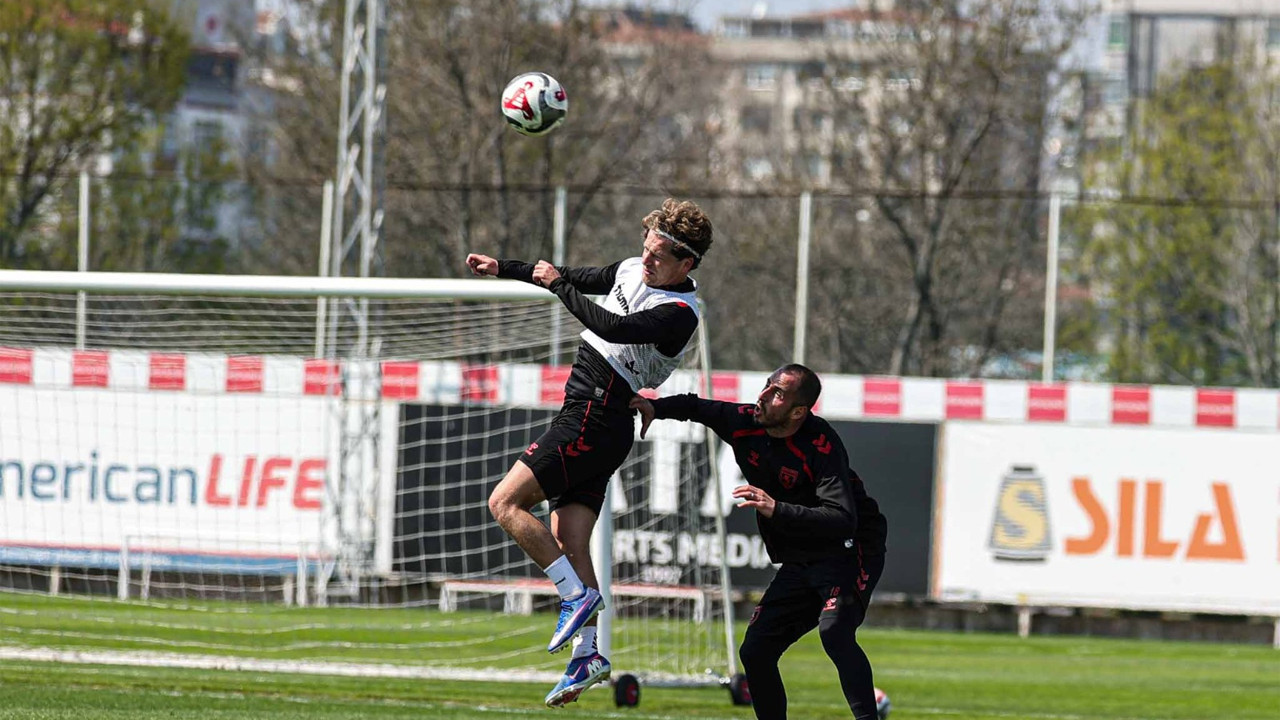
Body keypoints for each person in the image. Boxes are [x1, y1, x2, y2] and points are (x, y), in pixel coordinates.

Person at [465, 198, 713, 708]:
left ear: (687, 263)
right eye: (645, 249)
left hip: (593, 416)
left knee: (504, 504)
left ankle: (576, 597)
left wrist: (559, 286)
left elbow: (613, 328)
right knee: (570, 542)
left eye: (659, 256)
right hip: (601, 417)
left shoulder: (682, 313)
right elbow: (572, 274)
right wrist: (503, 268)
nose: (646, 262)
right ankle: (589, 652)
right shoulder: (630, 269)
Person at [629, 364, 888, 720]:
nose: (763, 396)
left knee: (835, 633)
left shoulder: (820, 444)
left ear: (799, 412)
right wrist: (656, 408)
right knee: (756, 650)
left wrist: (777, 509)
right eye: (767, 385)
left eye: (777, 393)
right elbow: (697, 407)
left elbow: (843, 519)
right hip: (802, 555)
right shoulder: (746, 420)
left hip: (851, 547)